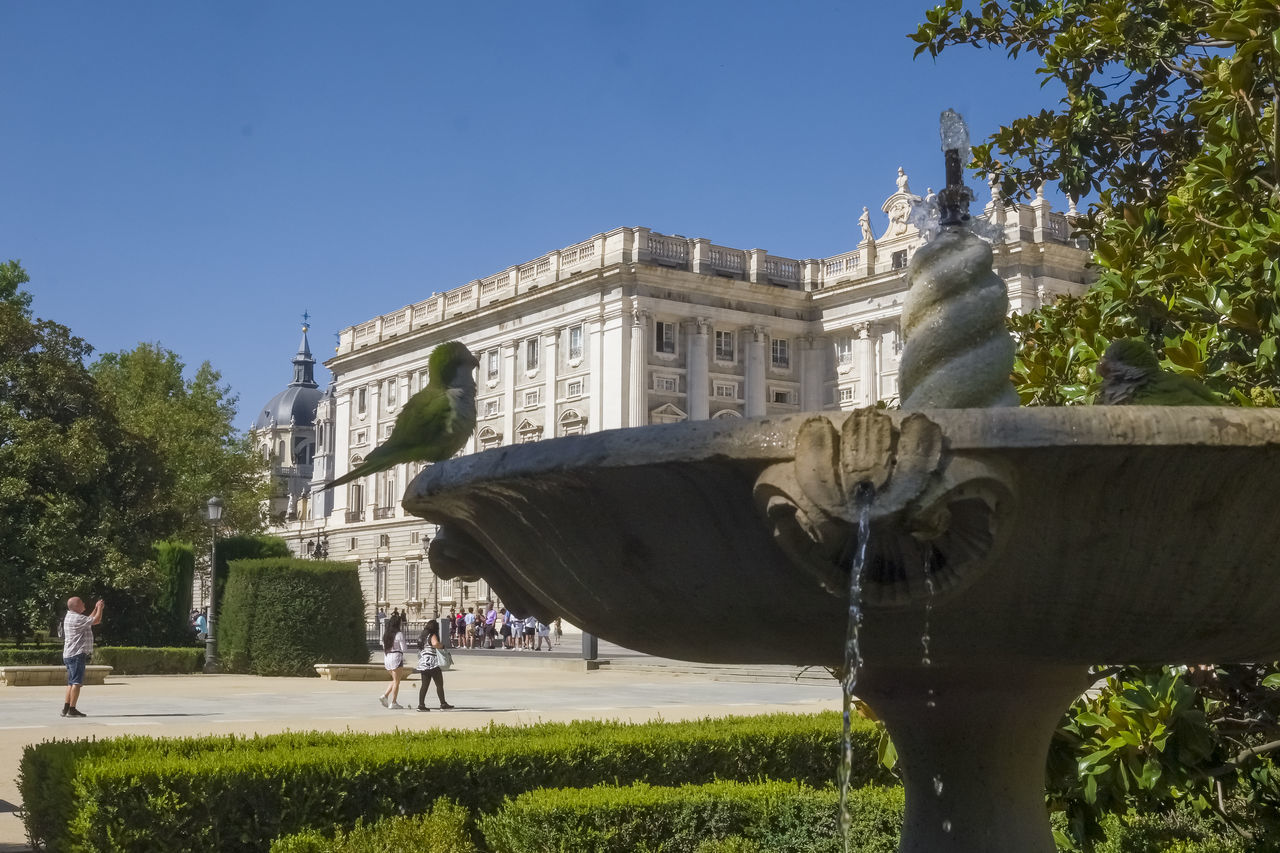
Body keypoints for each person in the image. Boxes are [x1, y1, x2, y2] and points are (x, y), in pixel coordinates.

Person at [61, 596, 104, 718]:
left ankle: (66, 708)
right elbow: (96, 621)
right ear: (75, 606)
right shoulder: (76, 618)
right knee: (76, 683)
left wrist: (95, 608)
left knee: (71, 682)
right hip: (76, 654)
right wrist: (100, 608)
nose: (84, 603)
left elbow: (89, 619)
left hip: (69, 654)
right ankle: (72, 709)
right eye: (81, 602)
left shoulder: (71, 616)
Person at [414, 622, 454, 712]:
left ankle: (421, 705)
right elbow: (435, 644)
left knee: (424, 685)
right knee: (439, 684)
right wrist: (442, 646)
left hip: (423, 663)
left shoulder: (422, 636)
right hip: (432, 663)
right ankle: (443, 704)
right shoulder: (432, 635)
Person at [378, 612, 407, 709]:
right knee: (397, 682)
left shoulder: (386, 635)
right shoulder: (399, 634)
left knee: (395, 680)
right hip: (396, 657)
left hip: (387, 657)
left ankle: (385, 696)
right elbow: (404, 648)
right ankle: (393, 702)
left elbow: (383, 646)